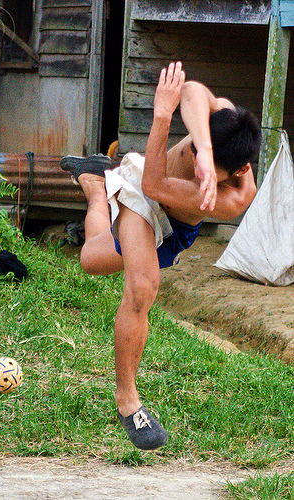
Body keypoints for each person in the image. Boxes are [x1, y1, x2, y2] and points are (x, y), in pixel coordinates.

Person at [60, 61, 261, 450]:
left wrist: (162, 117)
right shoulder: (225, 125)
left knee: (88, 258)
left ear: (240, 170)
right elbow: (195, 91)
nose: (200, 171)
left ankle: (96, 185)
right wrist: (201, 149)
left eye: (211, 172)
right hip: (142, 192)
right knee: (142, 288)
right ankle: (128, 402)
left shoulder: (229, 197)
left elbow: (158, 185)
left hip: (165, 207)